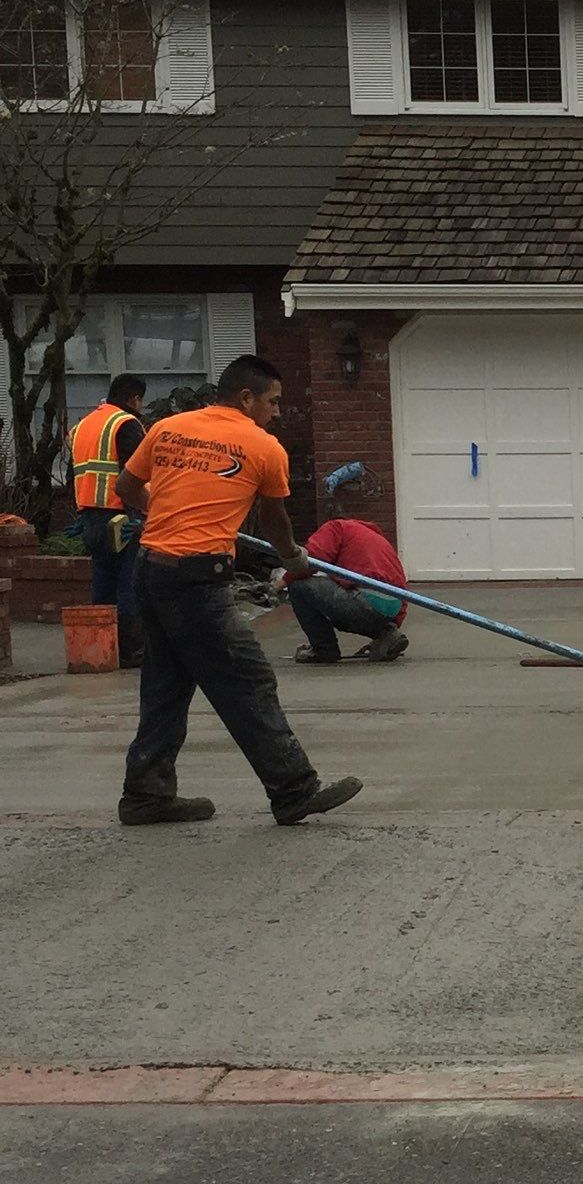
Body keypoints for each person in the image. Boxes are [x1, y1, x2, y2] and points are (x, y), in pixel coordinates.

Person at [112, 353, 363, 829]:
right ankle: (293, 790)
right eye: (273, 401)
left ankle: (146, 794)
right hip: (197, 580)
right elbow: (274, 520)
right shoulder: (263, 447)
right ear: (247, 398)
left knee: (166, 685)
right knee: (248, 680)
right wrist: (294, 556)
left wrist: (162, 513)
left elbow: (126, 486)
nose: (278, 412)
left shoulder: (167, 428)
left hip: (150, 570)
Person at [69, 371, 147, 666]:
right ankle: (131, 651)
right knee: (129, 583)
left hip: (90, 518)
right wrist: (143, 514)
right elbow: (134, 474)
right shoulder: (125, 424)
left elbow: (77, 474)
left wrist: (83, 513)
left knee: (103, 583)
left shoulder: (83, 426)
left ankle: (104, 648)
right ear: (134, 399)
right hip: (122, 518)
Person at [290, 510, 410, 665]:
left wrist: (280, 583)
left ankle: (324, 649)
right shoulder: (375, 538)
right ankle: (386, 634)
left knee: (299, 587)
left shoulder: (335, 527)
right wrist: (394, 623)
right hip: (391, 608)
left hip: (366, 603)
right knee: (340, 593)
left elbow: (309, 562)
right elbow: (400, 588)